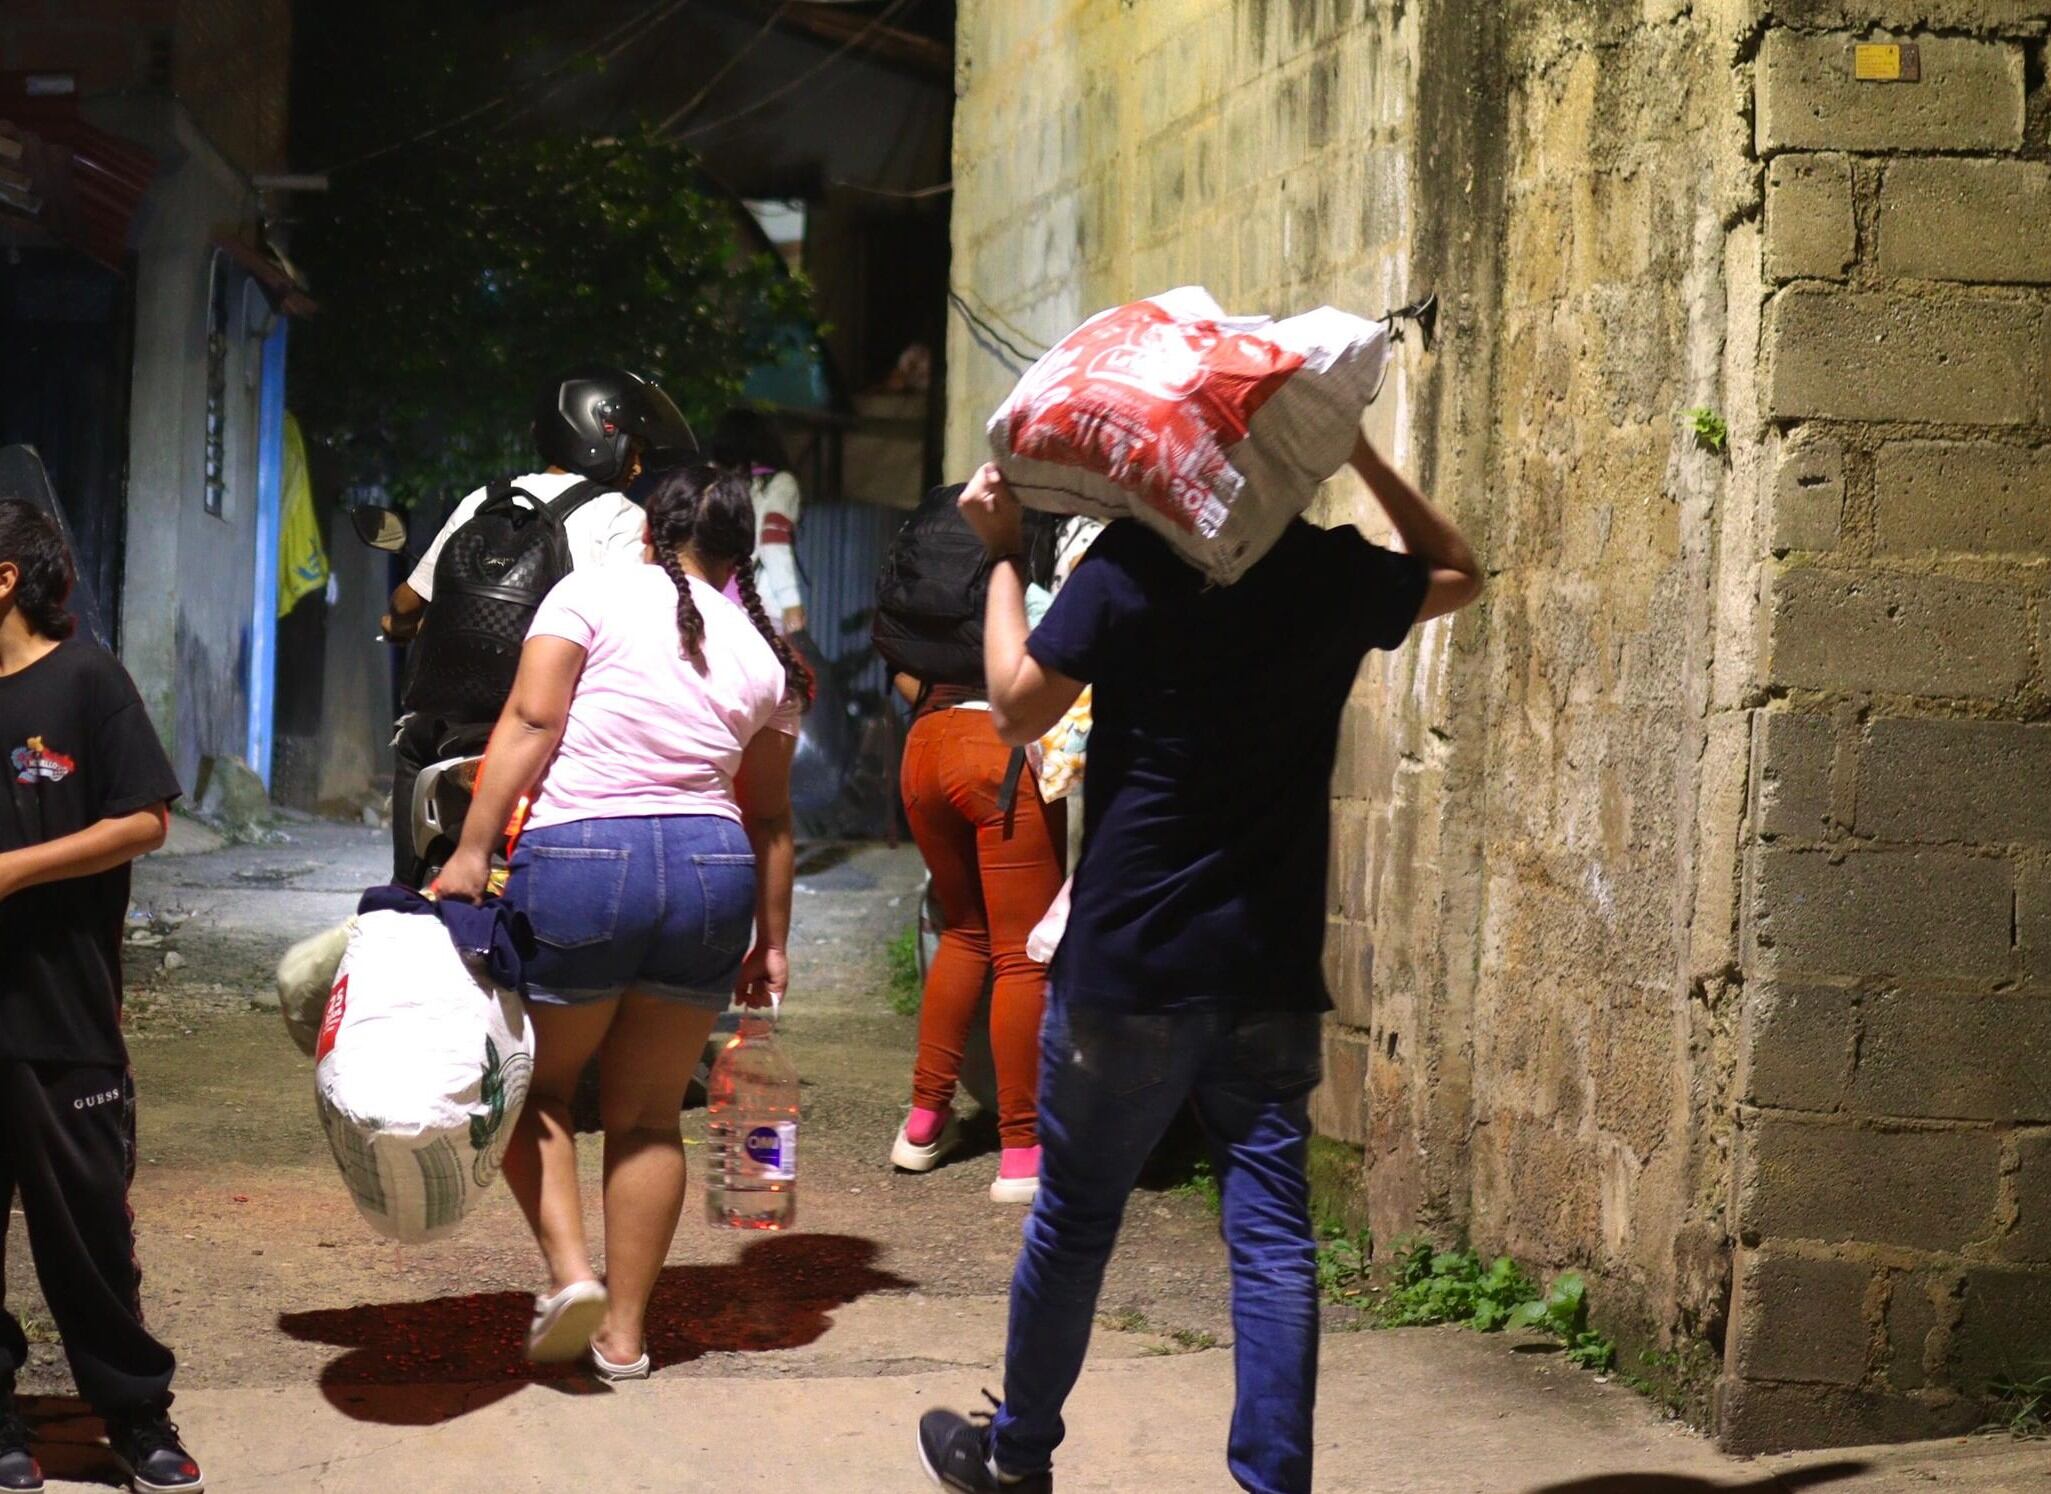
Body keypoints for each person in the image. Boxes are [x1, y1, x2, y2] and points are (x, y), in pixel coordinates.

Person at [916, 433, 1484, 1494]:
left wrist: (998, 551)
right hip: (1265, 966)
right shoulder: (1324, 572)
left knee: (1075, 1223)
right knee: (1271, 1238)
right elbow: (1458, 571)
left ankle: (1018, 1458)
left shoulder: (1131, 565)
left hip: (1126, 966)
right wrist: (1360, 454)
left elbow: (1013, 706)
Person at [436, 462, 810, 1381]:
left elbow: (531, 721)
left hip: (584, 857)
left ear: (649, 530)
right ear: (737, 553)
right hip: (712, 871)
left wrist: (473, 849)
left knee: (537, 1091)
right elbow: (769, 817)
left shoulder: (592, 592)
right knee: (647, 1117)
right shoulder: (765, 654)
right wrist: (772, 942)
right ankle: (626, 1338)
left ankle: (573, 1277)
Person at [0, 500, 203, 1494]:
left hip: (62, 1010)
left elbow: (144, 820)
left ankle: (135, 1415)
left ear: (5, 578)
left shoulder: (86, 679)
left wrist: (14, 870)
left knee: (86, 1233)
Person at [381, 365, 693, 886]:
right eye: (634, 449)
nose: (638, 467)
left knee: (414, 743)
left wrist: (397, 621)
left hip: (453, 726)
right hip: (557, 721)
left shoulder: (483, 499)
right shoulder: (622, 518)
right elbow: (634, 627)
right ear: (598, 433)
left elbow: (409, 600)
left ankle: (408, 889)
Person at [882, 492, 1067, 1206]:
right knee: (1022, 954)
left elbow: (897, 662)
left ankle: (922, 1123)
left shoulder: (926, 567)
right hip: (999, 755)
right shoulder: (1028, 555)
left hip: (925, 745)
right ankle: (1022, 1150)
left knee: (963, 931)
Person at [711, 409, 805, 636]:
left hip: (714, 596)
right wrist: (791, 602)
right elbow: (773, 540)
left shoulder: (713, 481)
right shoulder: (779, 483)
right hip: (760, 606)